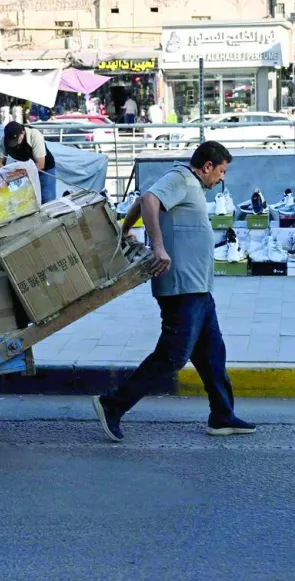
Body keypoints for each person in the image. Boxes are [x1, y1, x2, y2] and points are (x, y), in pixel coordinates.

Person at [93, 140, 254, 442]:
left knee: (213, 355)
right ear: (208, 166)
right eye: (221, 171)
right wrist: (158, 246)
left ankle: (222, 415)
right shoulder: (181, 177)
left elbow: (142, 201)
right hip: (182, 289)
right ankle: (112, 404)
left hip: (199, 289)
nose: (221, 178)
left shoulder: (189, 184)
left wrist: (125, 230)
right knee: (173, 356)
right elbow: (149, 199)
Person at [0, 120, 56, 202]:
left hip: (44, 169)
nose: (13, 144)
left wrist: (18, 174)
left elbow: (40, 164)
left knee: (47, 198)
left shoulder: (34, 135)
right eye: (10, 142)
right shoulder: (4, 140)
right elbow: (0, 162)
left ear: (23, 133)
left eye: (15, 140)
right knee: (24, 200)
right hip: (22, 168)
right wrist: (4, 174)